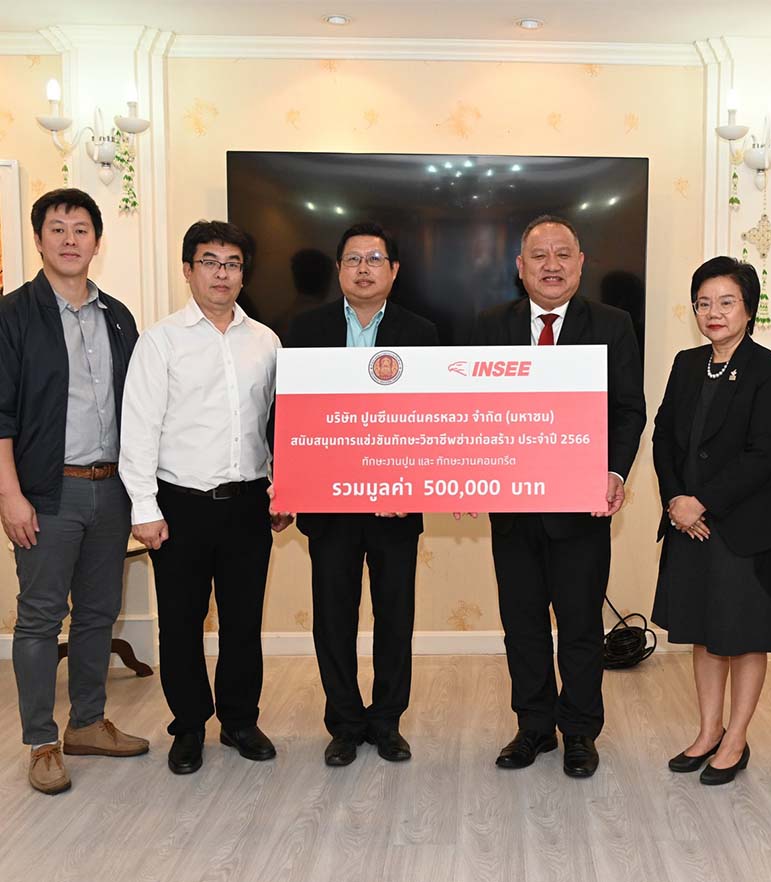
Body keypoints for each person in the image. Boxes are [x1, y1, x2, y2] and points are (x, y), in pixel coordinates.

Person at [469, 214, 646, 778]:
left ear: (581, 263)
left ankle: (580, 732)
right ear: (520, 267)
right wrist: (466, 470)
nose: (552, 265)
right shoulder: (490, 325)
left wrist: (615, 473)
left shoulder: (613, 324)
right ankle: (533, 727)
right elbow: (470, 410)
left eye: (562, 254)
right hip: (513, 511)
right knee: (522, 626)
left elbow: (629, 409)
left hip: (580, 510)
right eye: (539, 256)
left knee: (580, 628)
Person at [119, 220, 289, 775]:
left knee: (243, 622)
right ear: (188, 270)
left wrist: (283, 489)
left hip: (248, 504)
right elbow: (138, 429)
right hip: (180, 506)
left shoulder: (266, 341)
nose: (222, 273)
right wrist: (144, 508)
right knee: (181, 622)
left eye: (232, 263)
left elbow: (281, 426)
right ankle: (189, 725)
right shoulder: (161, 341)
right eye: (210, 262)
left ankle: (239, 720)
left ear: (243, 273)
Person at [0, 188, 146, 794]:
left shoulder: (118, 316)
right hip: (44, 493)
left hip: (110, 490)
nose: (68, 239)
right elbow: (1, 415)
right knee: (39, 619)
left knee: (97, 613)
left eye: (80, 229)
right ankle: (41, 741)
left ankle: (87, 722)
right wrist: (9, 496)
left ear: (96, 241)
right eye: (56, 228)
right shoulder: (12, 315)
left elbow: (141, 407)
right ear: (38, 239)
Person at [283, 222, 438, 767]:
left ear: (394, 270)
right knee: (334, 619)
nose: (364, 269)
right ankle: (346, 723)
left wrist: (416, 484)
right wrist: (289, 482)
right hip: (329, 507)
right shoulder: (305, 330)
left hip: (396, 505)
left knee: (395, 617)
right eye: (353, 259)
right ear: (338, 270)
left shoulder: (423, 333)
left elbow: (434, 419)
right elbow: (287, 414)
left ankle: (387, 721)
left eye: (375, 259)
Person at [652, 257, 771, 785]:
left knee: (744, 634)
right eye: (704, 303)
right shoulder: (687, 363)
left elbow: (764, 453)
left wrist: (702, 503)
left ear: (749, 308)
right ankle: (708, 730)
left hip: (744, 527)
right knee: (704, 630)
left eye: (726, 302)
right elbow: (663, 436)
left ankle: (736, 738)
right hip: (688, 525)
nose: (714, 312)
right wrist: (675, 500)